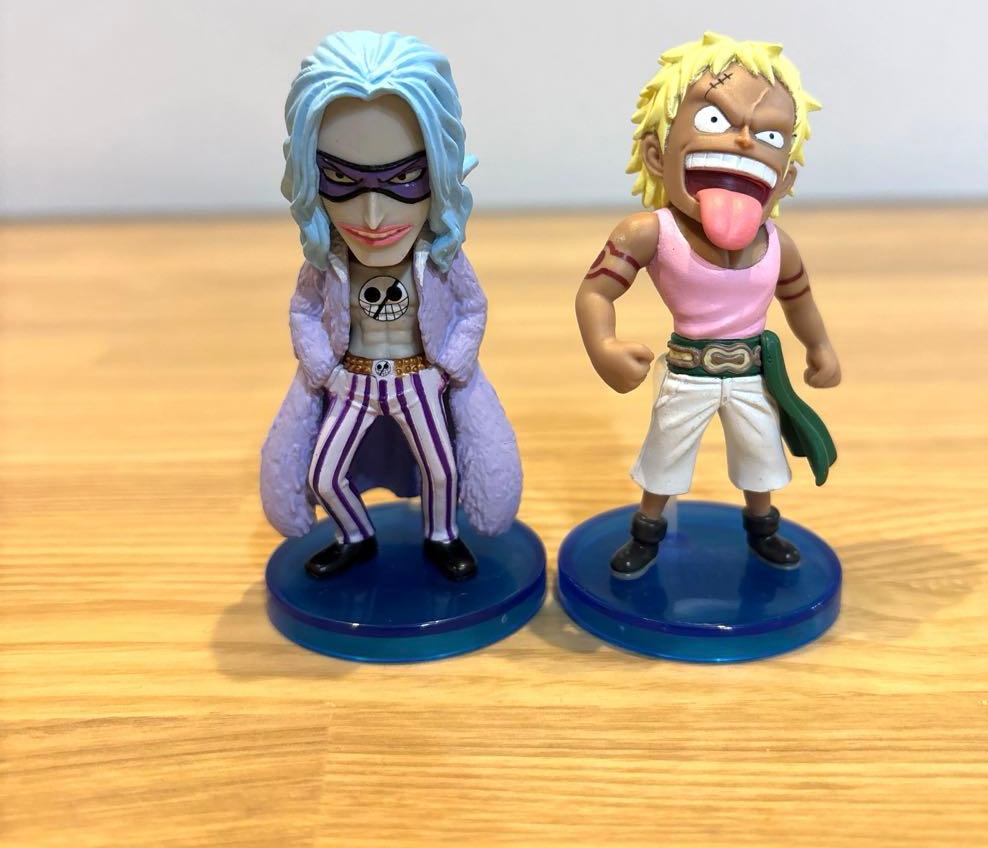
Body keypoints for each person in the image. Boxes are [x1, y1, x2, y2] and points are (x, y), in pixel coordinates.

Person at [575, 32, 840, 579]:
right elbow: (597, 291)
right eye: (715, 120)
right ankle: (646, 534)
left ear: (785, 178)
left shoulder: (778, 245)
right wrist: (603, 345)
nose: (743, 140)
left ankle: (763, 529)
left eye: (768, 134)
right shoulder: (651, 232)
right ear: (657, 153)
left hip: (752, 373)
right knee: (664, 459)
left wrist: (820, 347)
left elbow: (801, 302)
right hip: (688, 371)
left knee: (761, 458)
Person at [260, 31, 522, 581]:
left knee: (441, 470)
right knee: (324, 475)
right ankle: (354, 535)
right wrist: (323, 370)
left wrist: (450, 366)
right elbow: (303, 312)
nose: (374, 217)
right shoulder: (329, 261)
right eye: (341, 180)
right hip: (353, 381)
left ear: (441, 171)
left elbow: (473, 308)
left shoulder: (438, 259)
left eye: (404, 179)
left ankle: (441, 534)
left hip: (418, 378)